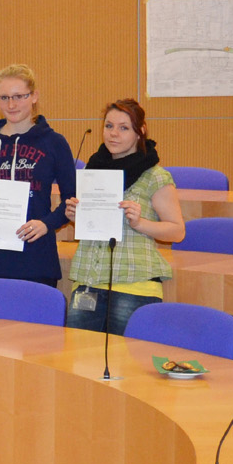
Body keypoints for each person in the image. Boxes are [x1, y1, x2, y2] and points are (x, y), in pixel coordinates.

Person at [64, 100, 185, 332]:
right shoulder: (92, 171)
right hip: (89, 280)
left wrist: (140, 223)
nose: (113, 134)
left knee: (126, 355)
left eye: (124, 128)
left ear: (140, 132)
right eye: (109, 126)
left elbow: (177, 231)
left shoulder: (155, 176)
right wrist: (76, 216)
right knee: (78, 353)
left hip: (133, 284)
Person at [0, 64, 76, 287]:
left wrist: (47, 224)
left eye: (19, 96)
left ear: (34, 96)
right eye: (4, 97)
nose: (11, 105)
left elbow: (71, 201)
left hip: (35, 257)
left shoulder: (54, 142)